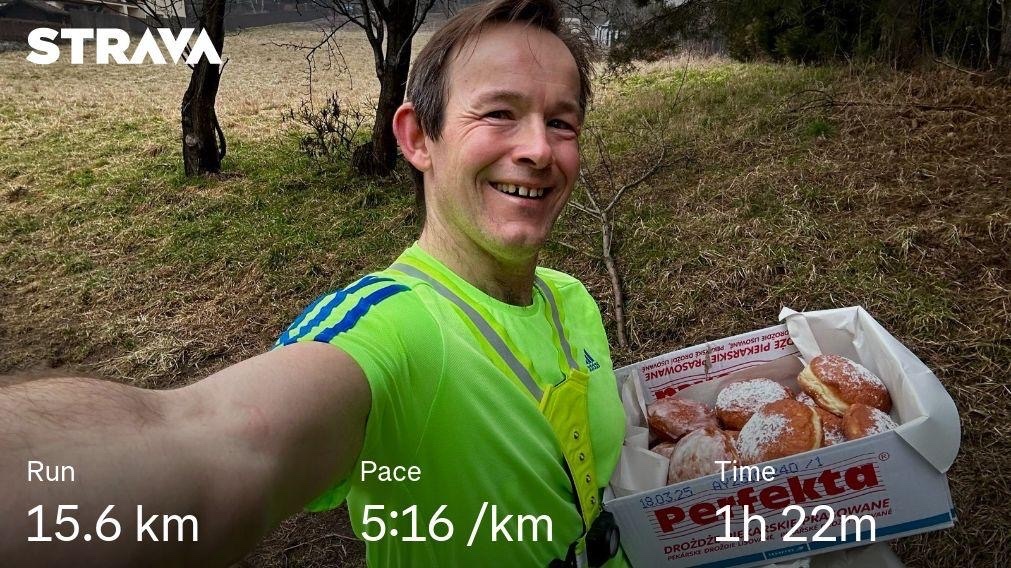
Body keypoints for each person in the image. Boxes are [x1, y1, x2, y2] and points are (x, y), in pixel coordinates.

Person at [0, 1, 630, 566]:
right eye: (499, 113)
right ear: (417, 138)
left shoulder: (569, 298)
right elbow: (215, 439)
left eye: (562, 123)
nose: (539, 150)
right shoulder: (394, 326)